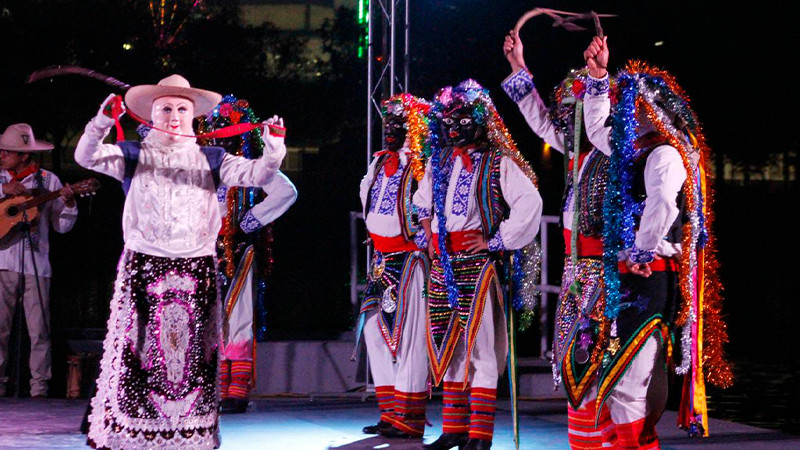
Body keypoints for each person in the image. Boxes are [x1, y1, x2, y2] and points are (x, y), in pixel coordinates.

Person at [74, 74, 287, 450]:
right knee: (138, 353)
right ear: (153, 115)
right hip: (144, 266)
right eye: (166, 108)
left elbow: (260, 174)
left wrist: (273, 149)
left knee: (192, 360)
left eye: (181, 109)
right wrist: (102, 121)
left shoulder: (212, 157)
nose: (174, 116)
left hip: (195, 268)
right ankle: (135, 432)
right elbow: (86, 157)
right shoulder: (133, 154)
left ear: (193, 116)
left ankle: (188, 434)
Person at [577, 37, 732, 448]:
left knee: (630, 381)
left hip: (650, 276)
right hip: (628, 276)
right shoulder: (636, 147)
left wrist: (642, 248)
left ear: (654, 110)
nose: (625, 114)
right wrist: (596, 78)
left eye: (633, 106)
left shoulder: (664, 152)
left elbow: (663, 204)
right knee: (612, 375)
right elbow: (596, 133)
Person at [501, 31, 619, 447]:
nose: (567, 122)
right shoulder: (577, 157)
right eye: (567, 114)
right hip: (575, 273)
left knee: (606, 367)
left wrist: (600, 73)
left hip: (610, 278)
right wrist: (518, 65)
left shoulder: (620, 155)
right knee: (575, 365)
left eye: (577, 111)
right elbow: (538, 118)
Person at [414, 80, 543, 450]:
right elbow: (421, 205)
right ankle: (454, 428)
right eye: (449, 121)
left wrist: (496, 241)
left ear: (480, 121)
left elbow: (530, 203)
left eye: (462, 120)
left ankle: (480, 434)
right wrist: (430, 237)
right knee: (447, 345)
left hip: (476, 264)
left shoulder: (498, 163)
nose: (454, 128)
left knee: (482, 348)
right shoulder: (439, 163)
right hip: (444, 265)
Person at [206, 95, 298, 414]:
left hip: (238, 250)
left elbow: (287, 192)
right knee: (210, 319)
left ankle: (237, 391)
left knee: (239, 319)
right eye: (214, 126)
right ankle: (215, 388)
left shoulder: (248, 165)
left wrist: (252, 219)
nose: (217, 132)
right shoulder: (206, 162)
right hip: (204, 249)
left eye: (224, 126)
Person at [357, 93, 431, 439]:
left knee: (409, 338)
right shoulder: (377, 164)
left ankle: (410, 415)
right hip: (380, 261)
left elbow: (429, 207)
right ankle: (389, 411)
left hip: (409, 260)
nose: (390, 129)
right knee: (374, 331)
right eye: (387, 123)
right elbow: (366, 197)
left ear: (413, 128)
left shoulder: (421, 166)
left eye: (399, 124)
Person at [0, 123, 78, 398]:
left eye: (8, 151)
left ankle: (38, 389)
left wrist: (68, 204)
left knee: (39, 331)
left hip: (37, 263)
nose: (1, 154)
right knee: (0, 329)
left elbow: (62, 226)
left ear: (24, 155)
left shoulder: (49, 181)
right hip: (2, 262)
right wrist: (4, 189)